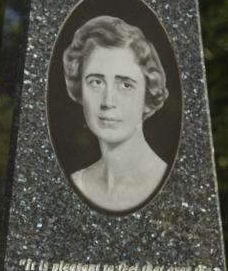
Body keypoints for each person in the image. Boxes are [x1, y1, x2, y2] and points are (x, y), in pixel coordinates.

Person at [62, 15, 169, 212]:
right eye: (96, 82)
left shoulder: (167, 181)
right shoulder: (76, 183)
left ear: (148, 94)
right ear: (79, 88)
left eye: (125, 84)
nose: (108, 101)